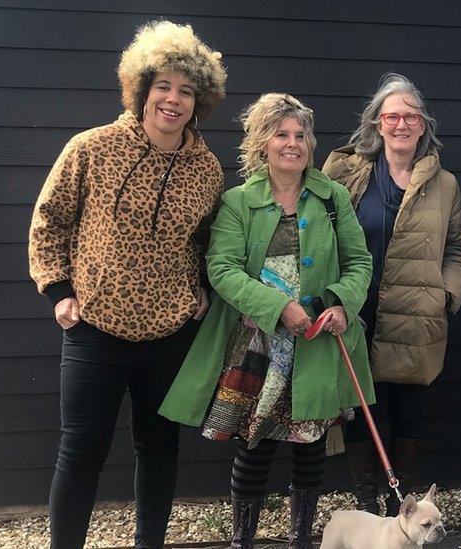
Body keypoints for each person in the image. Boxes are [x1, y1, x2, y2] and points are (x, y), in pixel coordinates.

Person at [27, 20, 226, 549]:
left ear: (198, 101)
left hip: (170, 335)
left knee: (159, 447)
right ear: (141, 89)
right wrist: (57, 291)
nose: (173, 99)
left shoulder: (207, 170)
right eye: (162, 86)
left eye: (186, 91)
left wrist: (200, 293)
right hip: (94, 328)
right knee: (80, 451)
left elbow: (209, 243)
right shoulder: (91, 148)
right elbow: (50, 221)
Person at [159, 93, 374, 549]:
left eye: (300, 135)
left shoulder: (332, 196)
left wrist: (340, 304)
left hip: (318, 340)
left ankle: (299, 540)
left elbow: (360, 263)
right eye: (282, 134)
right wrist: (277, 307)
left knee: (311, 443)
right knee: (254, 443)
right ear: (263, 142)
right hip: (257, 346)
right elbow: (221, 268)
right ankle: (242, 540)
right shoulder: (238, 201)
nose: (292, 144)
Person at [322, 73, 461, 516]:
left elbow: (459, 250)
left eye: (410, 116)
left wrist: (444, 296)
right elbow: (318, 235)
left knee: (408, 416)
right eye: (392, 115)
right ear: (377, 123)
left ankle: (397, 499)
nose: (401, 124)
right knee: (359, 411)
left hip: (417, 322)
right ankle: (368, 503)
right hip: (357, 315)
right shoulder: (344, 173)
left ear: (423, 124)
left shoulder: (444, 185)